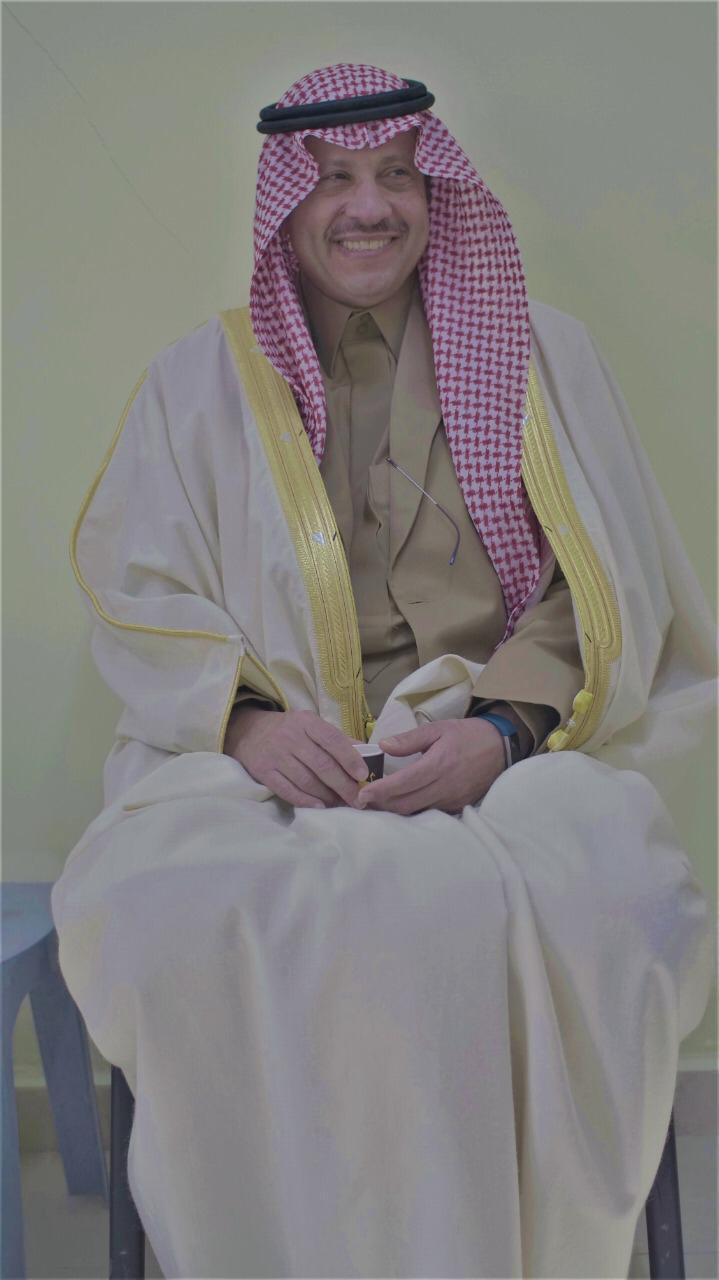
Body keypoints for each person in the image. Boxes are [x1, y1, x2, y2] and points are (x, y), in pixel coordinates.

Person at [52, 64, 714, 1279]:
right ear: (285, 204)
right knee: (170, 910)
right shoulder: (195, 385)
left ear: (432, 188)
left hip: (504, 745)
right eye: (334, 179)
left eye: (395, 175)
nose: (368, 206)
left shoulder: (541, 361)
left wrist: (498, 732)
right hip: (268, 754)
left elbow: (605, 586)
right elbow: (142, 596)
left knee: (616, 899)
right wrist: (245, 723)